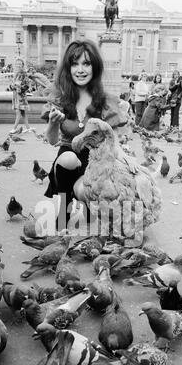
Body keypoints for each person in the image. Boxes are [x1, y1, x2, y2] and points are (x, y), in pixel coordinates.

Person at [44, 39, 128, 230]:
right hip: (67, 159)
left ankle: (88, 204)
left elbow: (112, 142)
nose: (80, 70)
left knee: (85, 193)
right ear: (68, 67)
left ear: (94, 67)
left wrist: (126, 165)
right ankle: (64, 210)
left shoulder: (106, 101)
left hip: (95, 161)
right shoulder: (59, 97)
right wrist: (52, 122)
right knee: (67, 157)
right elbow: (52, 141)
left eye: (86, 63)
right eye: (75, 64)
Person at [9, 58, 35, 134]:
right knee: (23, 113)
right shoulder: (16, 74)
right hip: (16, 96)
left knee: (18, 112)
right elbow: (11, 85)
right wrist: (12, 86)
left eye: (20, 64)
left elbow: (27, 85)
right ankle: (28, 128)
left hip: (21, 97)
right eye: (17, 64)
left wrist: (19, 88)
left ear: (22, 65)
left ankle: (14, 128)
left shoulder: (23, 74)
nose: (18, 65)